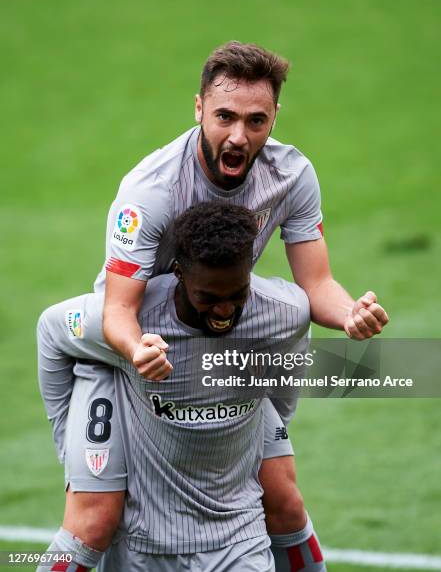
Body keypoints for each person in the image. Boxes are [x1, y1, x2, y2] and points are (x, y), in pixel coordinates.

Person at [38, 41, 388, 570]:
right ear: (199, 108)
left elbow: (317, 284)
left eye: (256, 120)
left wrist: (349, 315)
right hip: (133, 350)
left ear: (274, 117)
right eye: (224, 116)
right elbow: (116, 311)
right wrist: (138, 349)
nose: (238, 136)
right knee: (96, 519)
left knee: (284, 502)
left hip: (220, 340)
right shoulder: (149, 190)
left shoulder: (292, 176)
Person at [38, 203, 321, 572]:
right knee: (91, 524)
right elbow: (51, 329)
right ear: (179, 275)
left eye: (236, 294)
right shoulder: (130, 321)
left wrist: (267, 421)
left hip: (239, 540)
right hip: (145, 541)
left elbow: (291, 350)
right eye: (209, 297)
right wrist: (67, 446)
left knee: (285, 500)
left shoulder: (283, 311)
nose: (223, 311)